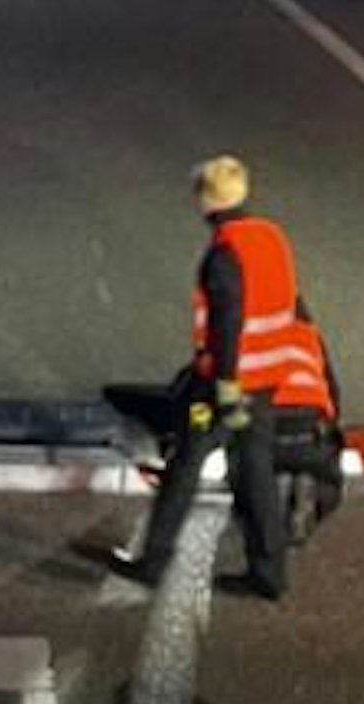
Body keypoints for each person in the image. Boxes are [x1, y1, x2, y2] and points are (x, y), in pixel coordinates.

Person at [113, 157, 335, 600]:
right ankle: (269, 571)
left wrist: (226, 387)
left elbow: (226, 325)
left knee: (185, 465)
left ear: (205, 200)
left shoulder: (224, 253)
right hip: (270, 378)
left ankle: (153, 562)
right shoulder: (272, 237)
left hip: (222, 387)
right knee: (255, 471)